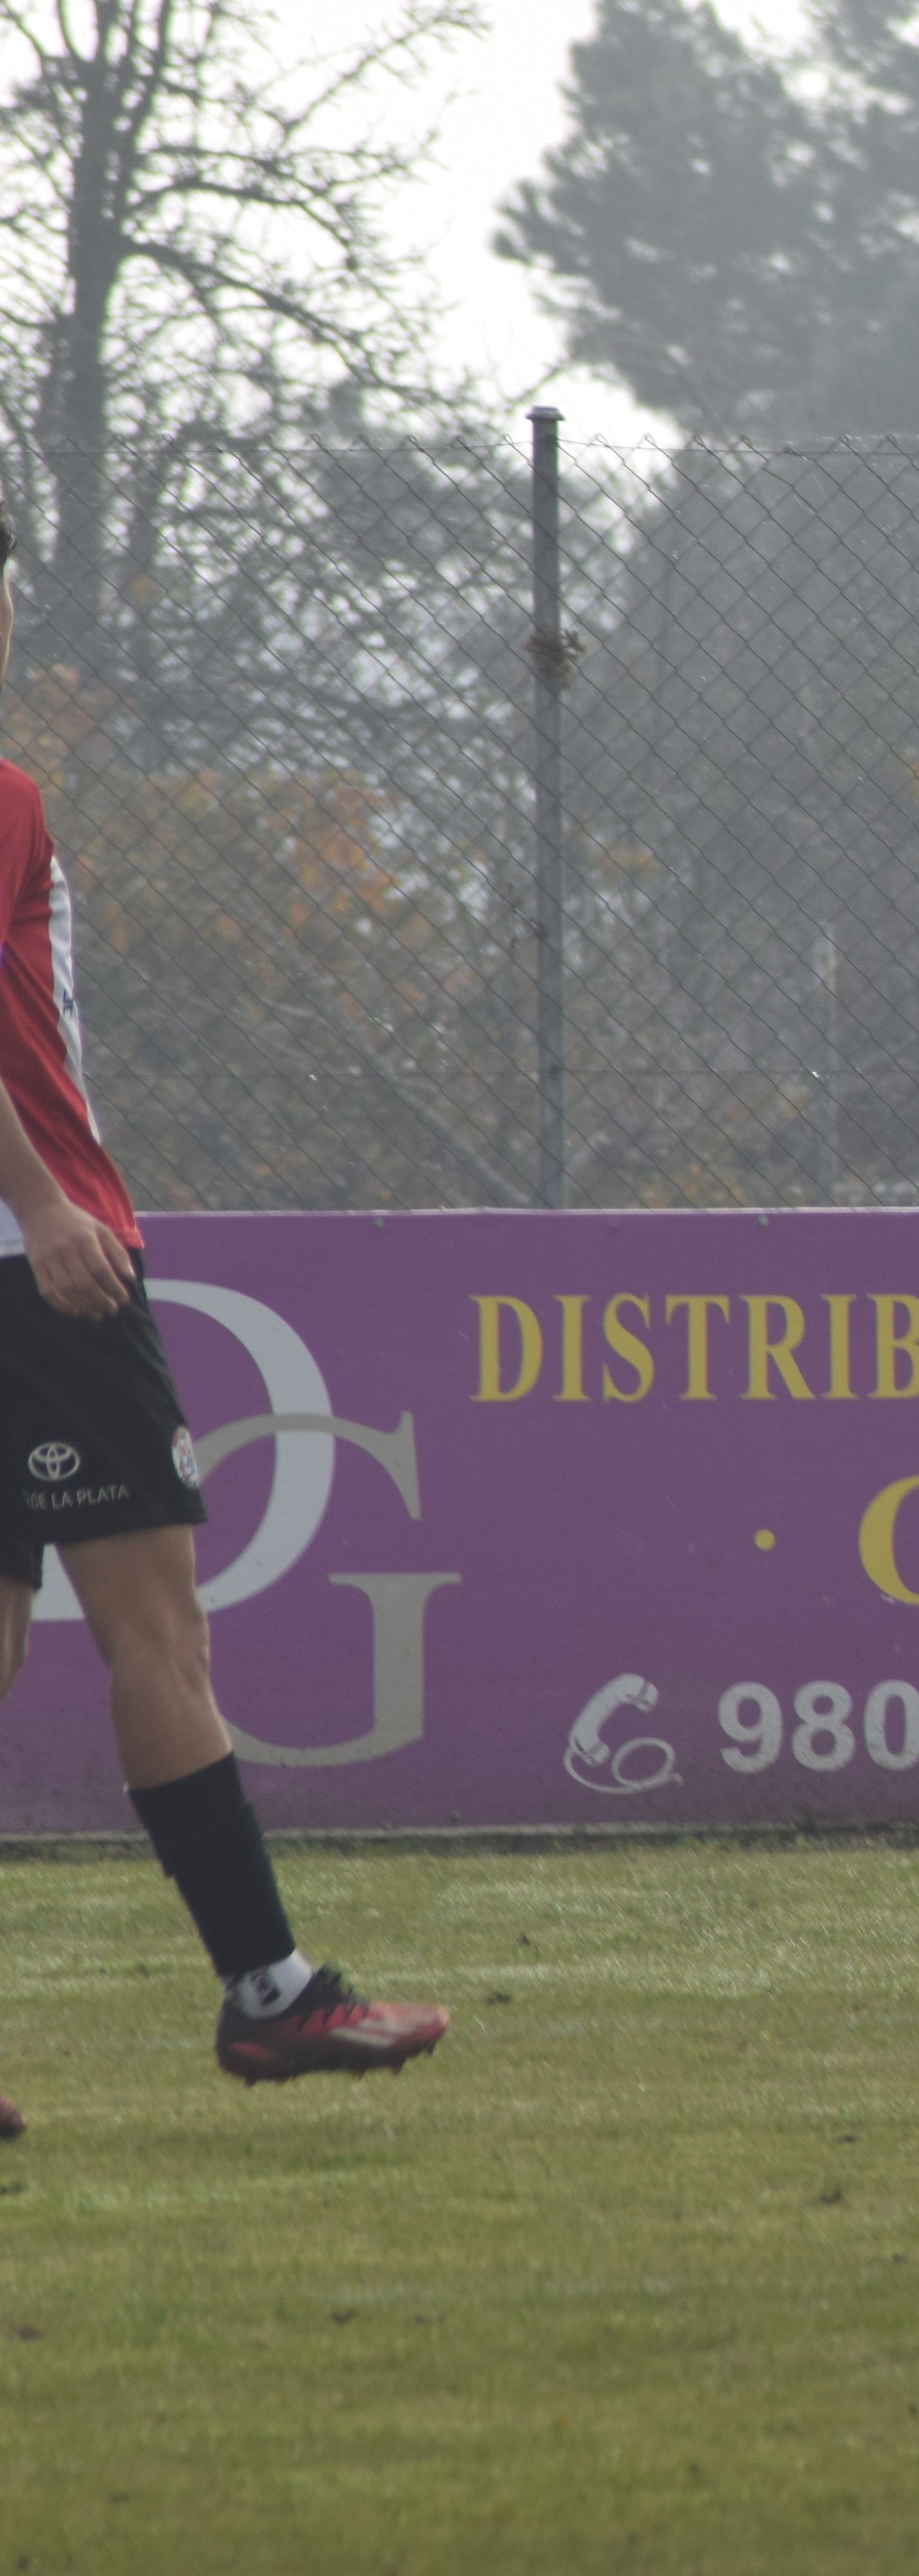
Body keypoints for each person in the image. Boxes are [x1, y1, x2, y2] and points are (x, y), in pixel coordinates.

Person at [0, 509, 448, 2135]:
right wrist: (47, 1204)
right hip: (32, 1269)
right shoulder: (5, 796)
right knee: (157, 1632)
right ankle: (270, 1993)